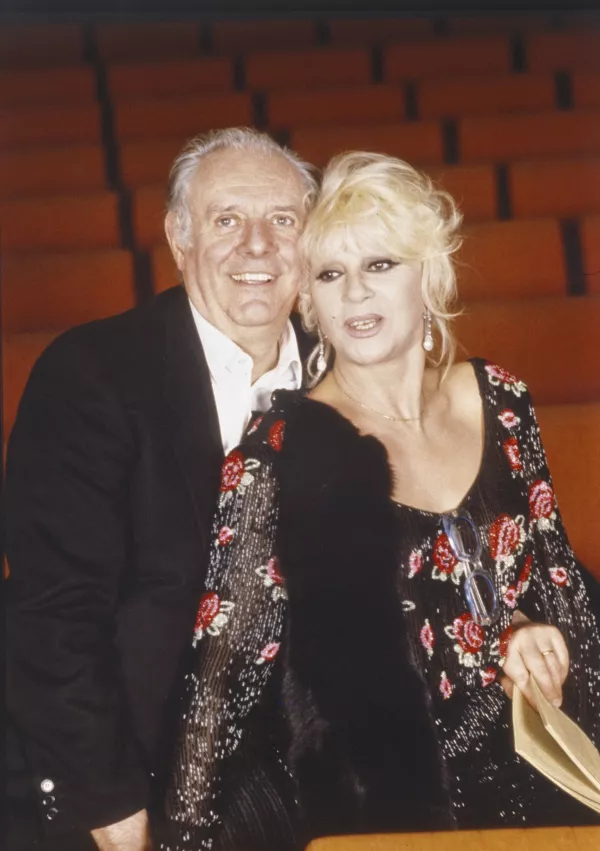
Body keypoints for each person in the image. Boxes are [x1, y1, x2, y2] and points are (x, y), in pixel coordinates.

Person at [158, 151, 600, 850]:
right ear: (310, 300)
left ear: (430, 274)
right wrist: (184, 834)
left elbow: (563, 593)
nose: (355, 293)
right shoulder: (278, 451)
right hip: (392, 816)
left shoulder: (502, 400)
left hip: (546, 774)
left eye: (381, 265)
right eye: (331, 274)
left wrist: (530, 634)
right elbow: (224, 683)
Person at [4, 127, 318, 851]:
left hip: (307, 776)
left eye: (282, 220)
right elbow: (54, 609)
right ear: (179, 238)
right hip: (134, 773)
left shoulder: (346, 374)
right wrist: (111, 806)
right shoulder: (94, 374)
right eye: (226, 220)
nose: (258, 247)